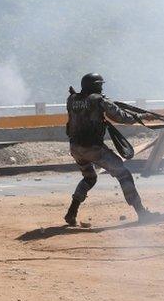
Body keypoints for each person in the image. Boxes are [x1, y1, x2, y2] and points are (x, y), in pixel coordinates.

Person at [64, 73, 158, 225]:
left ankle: (71, 213)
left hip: (75, 148)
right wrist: (143, 116)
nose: (101, 88)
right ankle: (142, 213)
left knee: (89, 178)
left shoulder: (72, 99)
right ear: (94, 86)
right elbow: (121, 117)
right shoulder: (98, 100)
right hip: (93, 148)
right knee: (124, 174)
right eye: (100, 85)